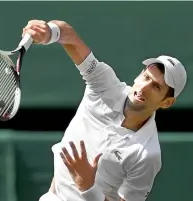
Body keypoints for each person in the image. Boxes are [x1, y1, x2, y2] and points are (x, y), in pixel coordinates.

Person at [22, 20, 187, 201]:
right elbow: (69, 36)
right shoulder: (104, 85)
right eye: (146, 76)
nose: (144, 87)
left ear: (167, 102)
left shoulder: (148, 155)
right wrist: (48, 32)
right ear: (138, 75)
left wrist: (87, 186)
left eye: (156, 87)